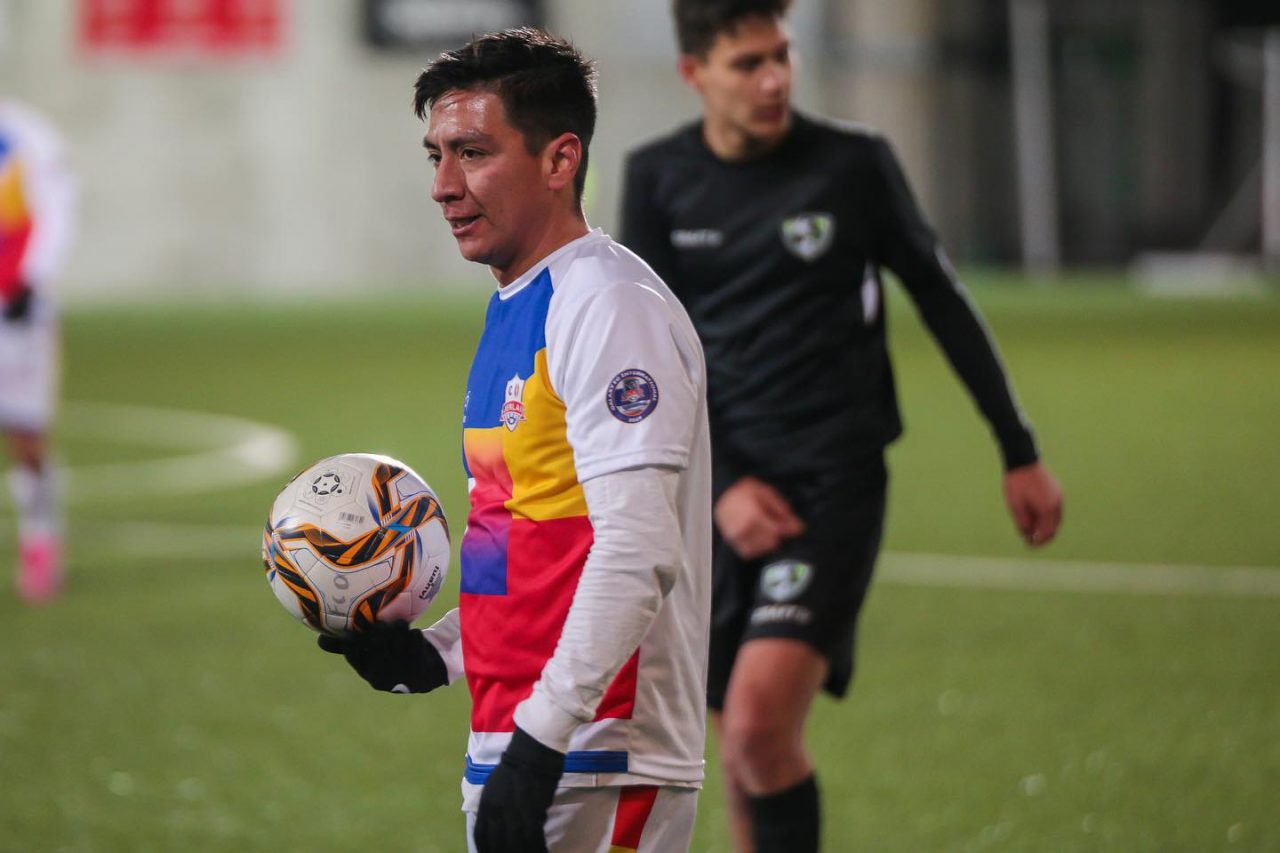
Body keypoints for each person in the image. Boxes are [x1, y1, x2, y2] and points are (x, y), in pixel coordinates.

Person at [619, 2, 1065, 850]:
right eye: (748, 62)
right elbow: (651, 351)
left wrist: (1019, 449)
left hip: (831, 483)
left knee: (756, 725)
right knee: (739, 743)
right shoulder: (656, 178)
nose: (774, 77)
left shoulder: (852, 165)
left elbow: (941, 298)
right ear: (694, 74)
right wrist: (722, 487)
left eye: (781, 55)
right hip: (716, 491)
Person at [319, 28, 713, 853]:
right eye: (436, 155)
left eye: (472, 153)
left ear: (561, 159)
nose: (443, 185)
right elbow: (517, 533)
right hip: (528, 736)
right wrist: (441, 653)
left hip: (598, 749)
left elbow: (639, 548)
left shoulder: (608, 307)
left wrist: (542, 740)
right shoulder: (516, 305)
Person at [0, 99, 76, 604]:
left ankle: (40, 543)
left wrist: (34, 279)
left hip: (15, 308)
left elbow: (58, 207)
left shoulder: (25, 133)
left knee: (25, 433)